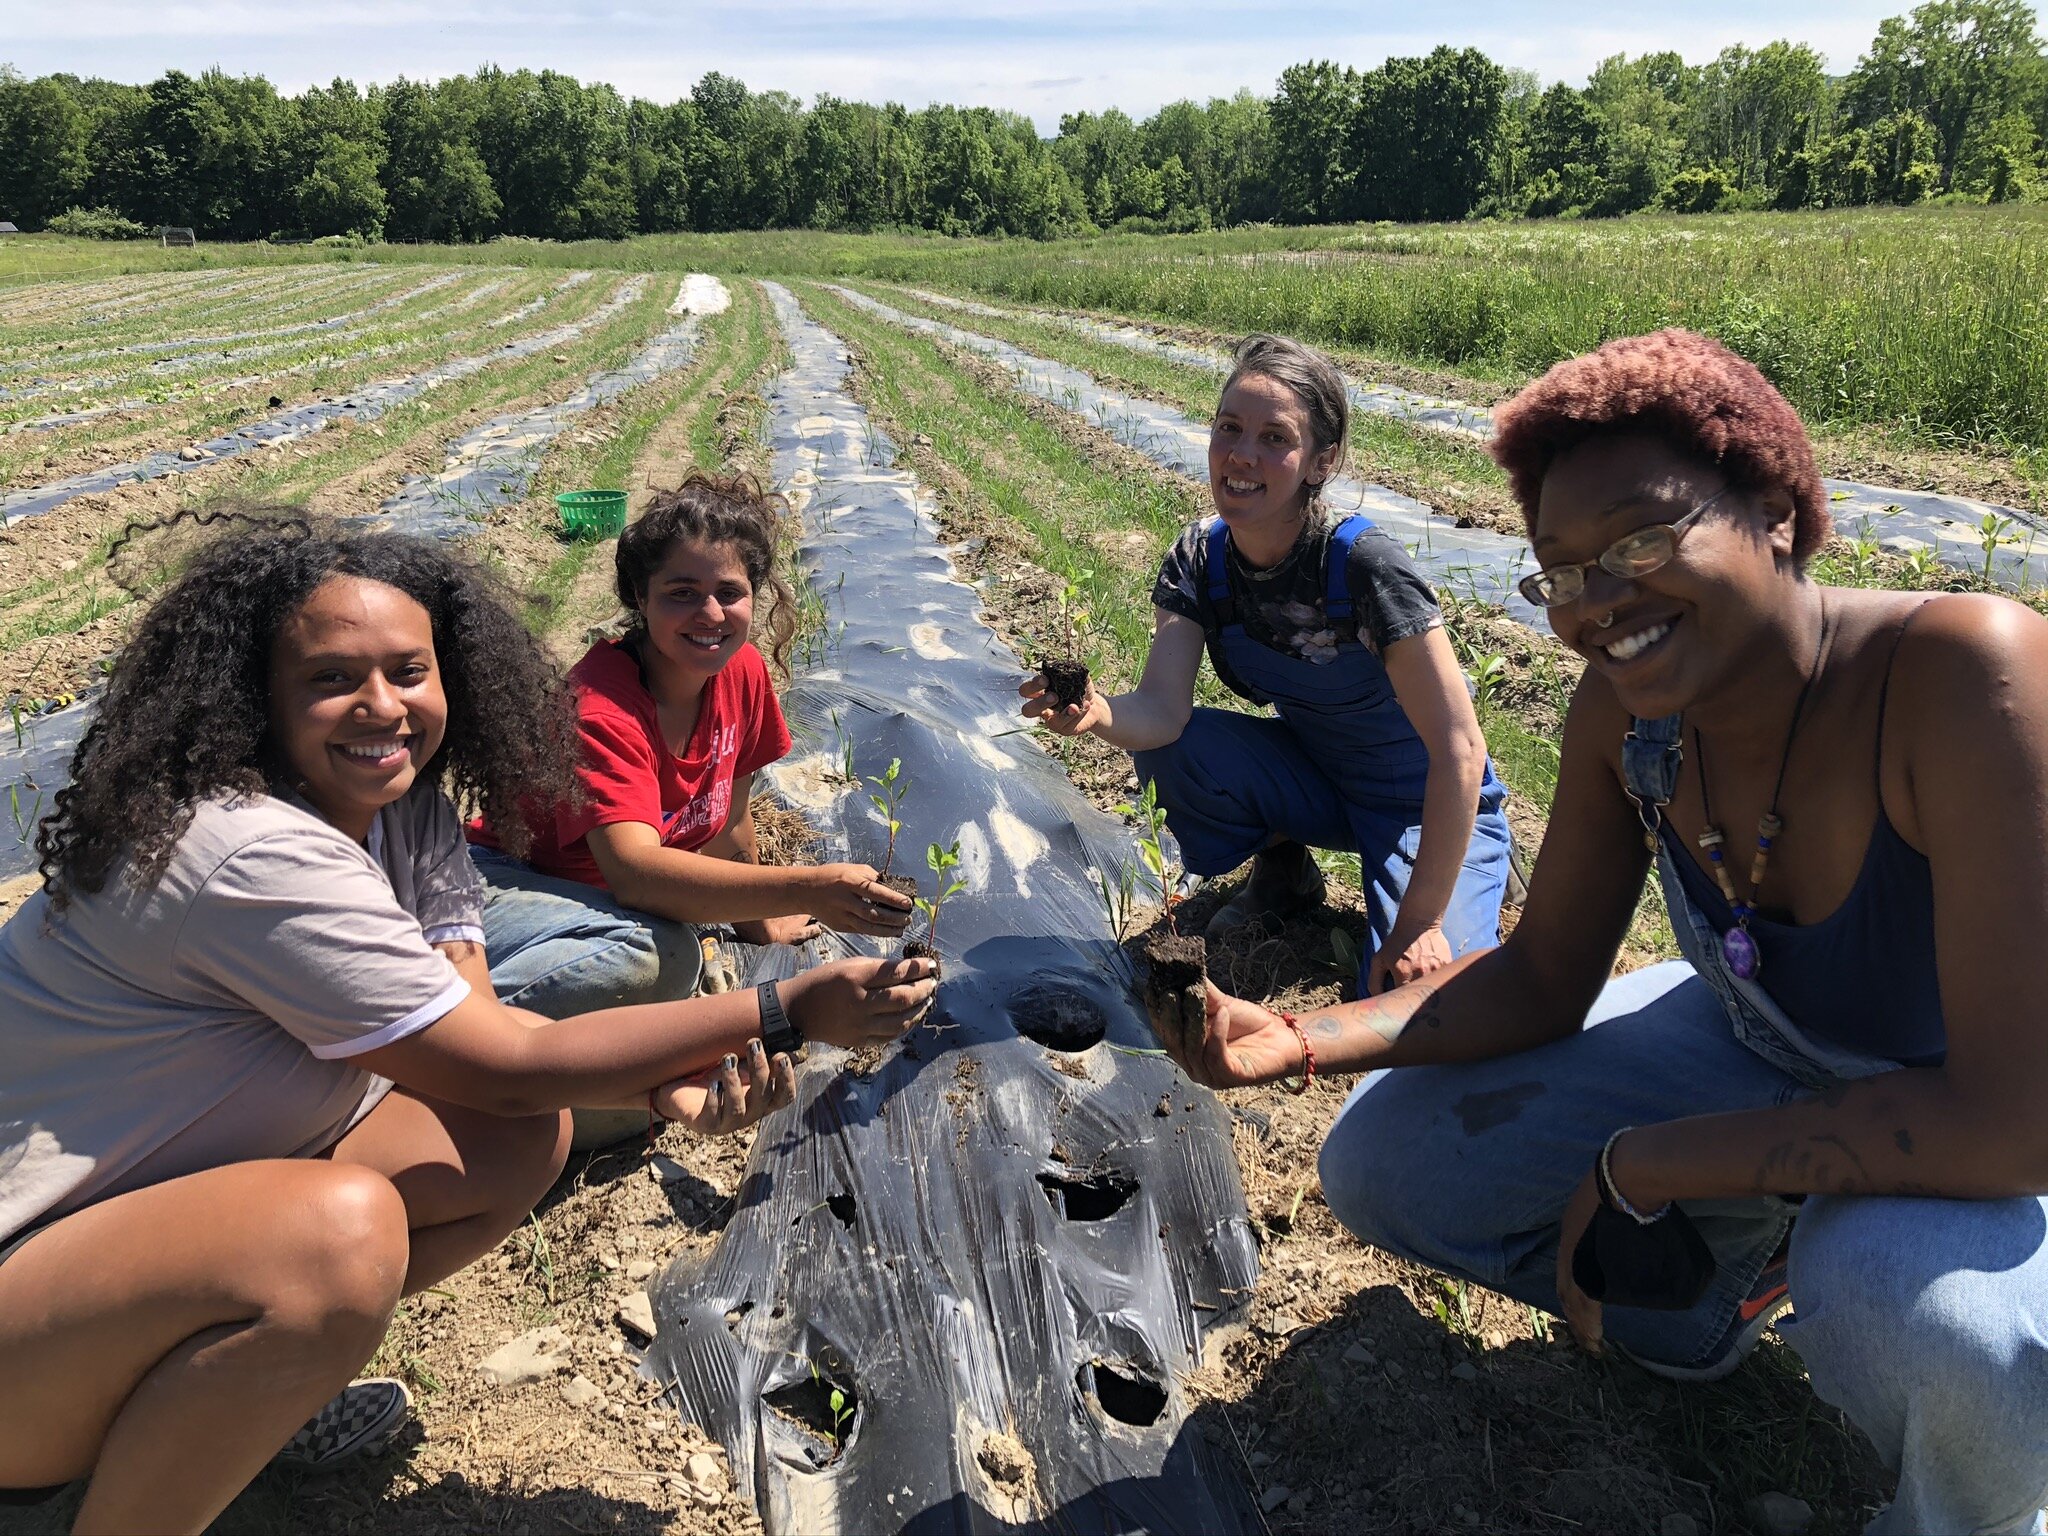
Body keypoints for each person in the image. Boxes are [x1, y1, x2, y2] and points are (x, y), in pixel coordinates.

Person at [1153, 328, 2048, 1534]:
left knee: (1935, 1329)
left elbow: (2012, 1125)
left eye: (1637, 540)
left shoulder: (1956, 676)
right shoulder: (1626, 720)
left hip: (1984, 1117)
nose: (1596, 603)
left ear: (1776, 510)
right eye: (1560, 572)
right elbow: (1538, 977)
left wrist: (1645, 1167)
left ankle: (1969, 1511)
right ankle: (1719, 1294)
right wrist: (1302, 1041)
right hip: (1762, 1049)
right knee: (1382, 1164)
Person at [0, 511, 935, 1536]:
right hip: (28, 1295)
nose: (381, 706)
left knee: (512, 1140)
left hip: (123, 1241)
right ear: (253, 697)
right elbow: (501, 1061)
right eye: (329, 679)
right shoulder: (247, 850)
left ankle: (234, 1399)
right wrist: (785, 1005)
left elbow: (495, 1057)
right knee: (334, 1242)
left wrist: (657, 1089)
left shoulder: (406, 817)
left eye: (409, 671)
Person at [1022, 333, 1510, 996]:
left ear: (1321, 461)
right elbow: (1163, 712)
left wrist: (1420, 922)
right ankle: (1285, 871)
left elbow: (1459, 748)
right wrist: (1098, 712)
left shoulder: (1364, 567)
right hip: (1320, 774)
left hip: (1421, 801)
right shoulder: (1200, 558)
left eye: (1275, 437)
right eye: (1229, 428)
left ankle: (1468, 867)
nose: (1242, 455)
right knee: (1181, 751)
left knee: (1417, 994)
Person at [470, 472, 914, 1031]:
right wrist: (808, 888)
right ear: (640, 597)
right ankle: (448, 1039)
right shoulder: (598, 711)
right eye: (681, 593)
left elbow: (730, 818)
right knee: (665, 955)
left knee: (663, 953)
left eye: (729, 593)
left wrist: (761, 923)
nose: (710, 614)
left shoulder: (742, 671)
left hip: (602, 899)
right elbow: (635, 875)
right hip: (509, 880)